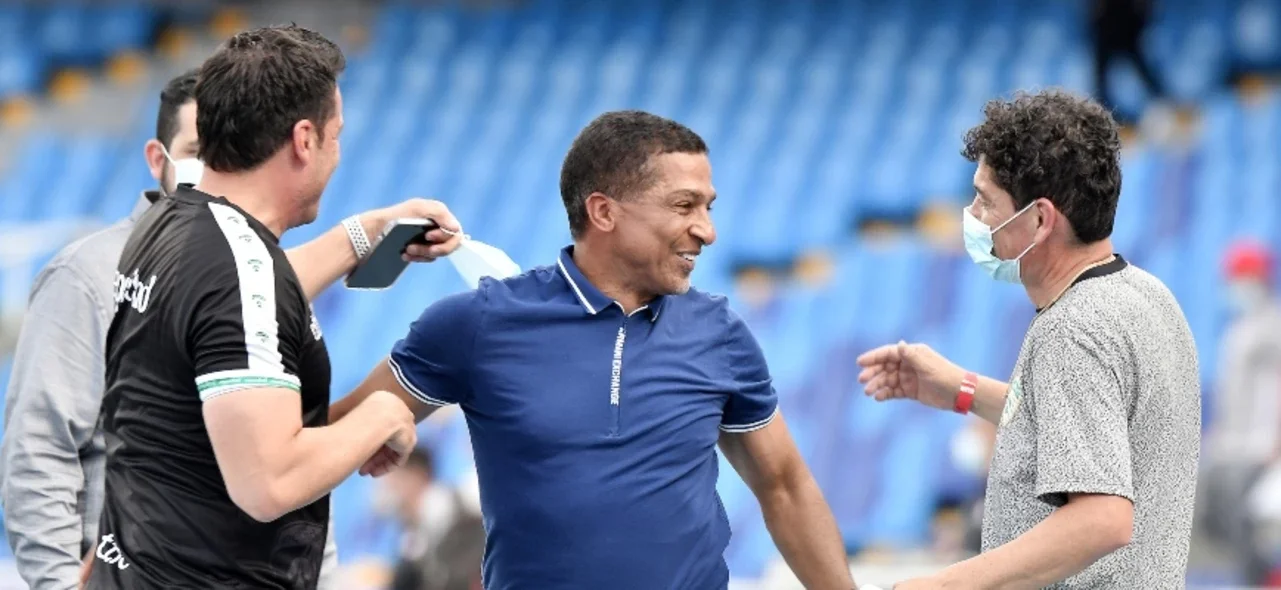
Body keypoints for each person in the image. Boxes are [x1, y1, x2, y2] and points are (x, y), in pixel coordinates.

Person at [327, 110, 859, 590]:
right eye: (684, 206)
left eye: (708, 207)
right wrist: (380, 420)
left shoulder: (719, 332)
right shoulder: (477, 323)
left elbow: (785, 487)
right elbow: (328, 438)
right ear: (603, 212)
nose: (707, 231)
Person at [85, 25, 463, 589]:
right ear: (304, 139)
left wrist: (363, 235)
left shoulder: (169, 222)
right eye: (337, 136)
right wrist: (382, 417)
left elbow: (244, 299)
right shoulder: (237, 271)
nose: (337, 155)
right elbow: (269, 483)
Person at [1, 69, 330, 590]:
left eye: (232, 147)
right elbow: (39, 450)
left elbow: (286, 443)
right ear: (159, 159)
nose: (218, 166)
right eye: (200, 149)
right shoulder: (89, 275)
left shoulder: (259, 276)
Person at [857, 90, 1200, 589]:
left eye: (985, 199)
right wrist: (962, 390)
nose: (972, 214)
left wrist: (941, 585)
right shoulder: (1147, 296)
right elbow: (1092, 429)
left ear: (1039, 219)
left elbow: (1102, 518)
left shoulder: (1073, 330)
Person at [1200, 239, 1281, 584]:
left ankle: (1266, 579)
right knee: (1213, 518)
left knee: (1250, 522)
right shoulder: (1238, 330)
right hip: (1229, 446)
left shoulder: (1273, 326)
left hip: (1259, 447)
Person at [371, 446, 485, 590]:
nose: (385, 486)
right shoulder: (410, 529)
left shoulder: (451, 507)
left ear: (415, 475)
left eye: (392, 477)